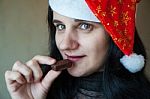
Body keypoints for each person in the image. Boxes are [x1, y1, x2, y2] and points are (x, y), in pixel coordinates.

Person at [5, 0, 150, 99]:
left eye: (84, 26)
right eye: (60, 26)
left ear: (116, 35)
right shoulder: (42, 90)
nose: (64, 45)